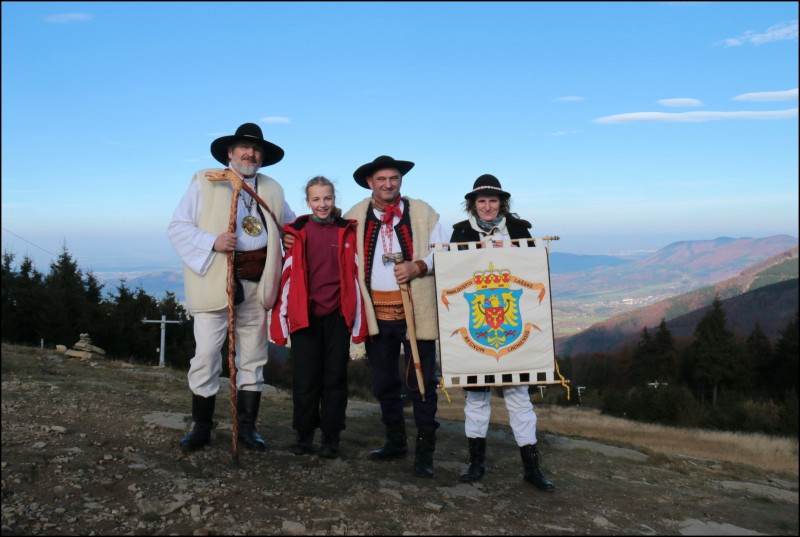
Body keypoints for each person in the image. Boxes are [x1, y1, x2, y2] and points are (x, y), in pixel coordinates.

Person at [167, 122, 296, 453]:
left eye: (256, 150)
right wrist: (213, 241)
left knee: (253, 354)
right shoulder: (206, 182)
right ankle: (202, 426)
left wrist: (300, 232)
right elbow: (178, 227)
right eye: (244, 148)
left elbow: (290, 226)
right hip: (217, 281)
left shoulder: (273, 189)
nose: (250, 153)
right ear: (230, 152)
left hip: (257, 283)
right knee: (207, 354)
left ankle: (249, 427)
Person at [449, 174, 555, 492]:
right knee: (477, 398)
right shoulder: (460, 233)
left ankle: (531, 467)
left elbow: (535, 267)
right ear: (473, 204)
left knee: (518, 397)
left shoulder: (520, 230)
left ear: (502, 203)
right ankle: (475, 463)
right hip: (476, 326)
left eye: (493, 201)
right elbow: (452, 275)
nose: (487, 206)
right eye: (481, 201)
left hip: (514, 324)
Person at [346, 155, 449, 478]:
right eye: (381, 179)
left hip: (416, 311)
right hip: (377, 313)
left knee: (421, 381)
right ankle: (395, 441)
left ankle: (424, 453)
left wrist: (418, 266)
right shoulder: (355, 216)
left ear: (400, 180)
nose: (388, 184)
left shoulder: (423, 213)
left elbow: (443, 250)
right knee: (383, 381)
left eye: (394, 178)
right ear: (369, 183)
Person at [270, 176, 368, 459]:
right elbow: (286, 276)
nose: (322, 204)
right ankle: (303, 435)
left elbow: (357, 274)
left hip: (338, 315)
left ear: (334, 199)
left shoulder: (347, 230)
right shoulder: (297, 231)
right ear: (308, 201)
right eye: (316, 199)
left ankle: (331, 436)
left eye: (327, 198)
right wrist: (281, 317)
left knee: (335, 378)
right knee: (305, 378)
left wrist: (358, 319)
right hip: (306, 315)